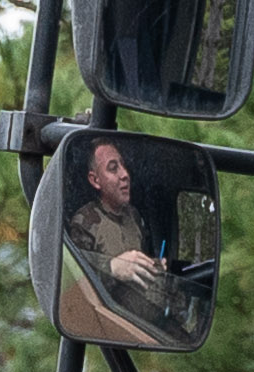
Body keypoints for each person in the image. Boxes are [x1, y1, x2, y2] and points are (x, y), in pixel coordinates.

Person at [63, 137, 203, 346]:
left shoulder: (134, 216)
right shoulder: (84, 222)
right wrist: (112, 267)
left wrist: (155, 266)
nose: (125, 175)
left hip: (156, 321)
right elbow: (76, 280)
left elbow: (138, 263)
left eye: (123, 166)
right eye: (113, 168)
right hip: (121, 328)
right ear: (95, 180)